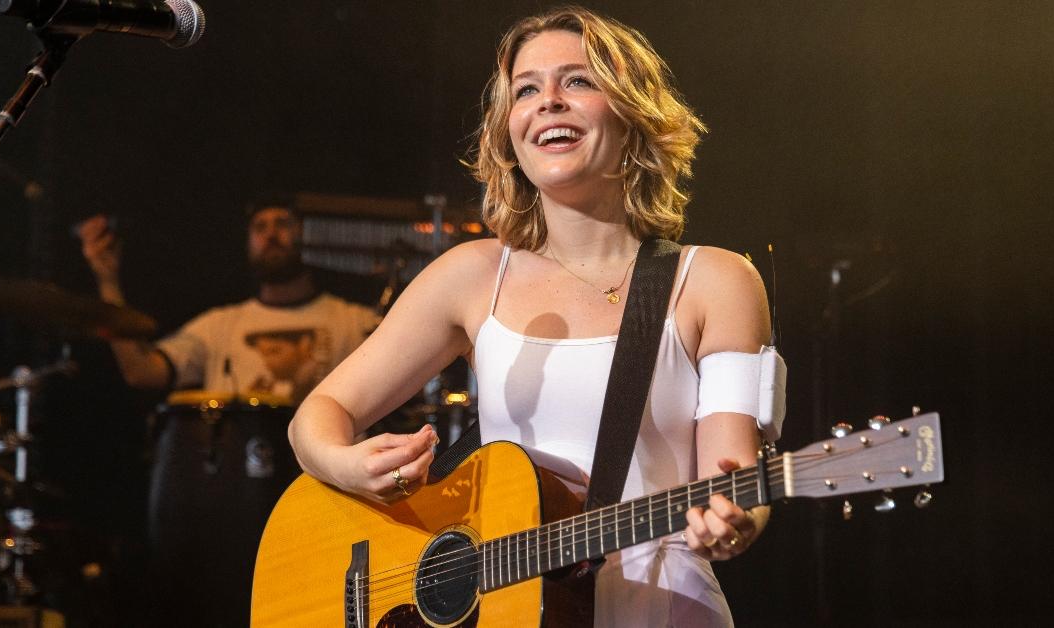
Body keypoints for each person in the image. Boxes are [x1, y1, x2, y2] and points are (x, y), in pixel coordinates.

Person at [288, 7, 785, 627]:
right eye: (527, 89)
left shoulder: (715, 281)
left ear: (633, 115)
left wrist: (736, 518)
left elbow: (732, 474)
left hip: (659, 608)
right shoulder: (472, 276)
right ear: (509, 130)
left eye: (577, 81)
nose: (548, 101)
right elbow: (318, 416)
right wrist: (346, 465)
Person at [77, 202, 379, 405]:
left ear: (305, 235)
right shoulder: (219, 326)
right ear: (247, 243)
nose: (271, 234)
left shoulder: (353, 322)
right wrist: (108, 281)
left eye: (283, 224)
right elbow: (141, 371)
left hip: (328, 490)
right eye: (260, 228)